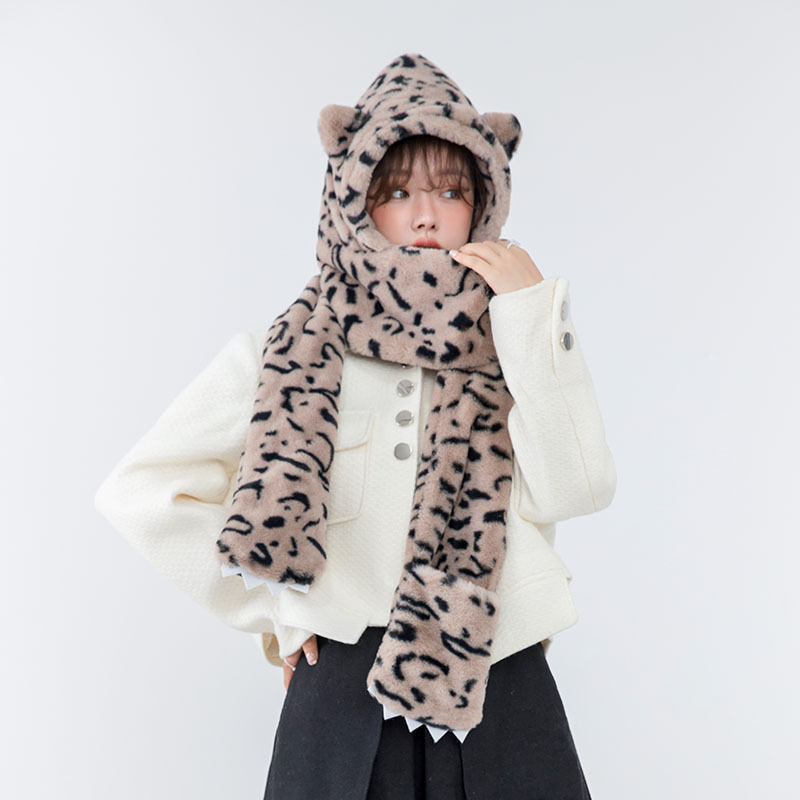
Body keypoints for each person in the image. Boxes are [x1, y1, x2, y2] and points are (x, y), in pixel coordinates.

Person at [94, 53, 616, 799]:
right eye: (397, 191)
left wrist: (531, 314)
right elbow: (140, 493)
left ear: (485, 202)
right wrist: (277, 612)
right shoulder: (283, 352)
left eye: (451, 190)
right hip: (337, 685)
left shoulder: (517, 347)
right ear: (352, 197)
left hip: (499, 684)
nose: (426, 214)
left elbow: (579, 488)